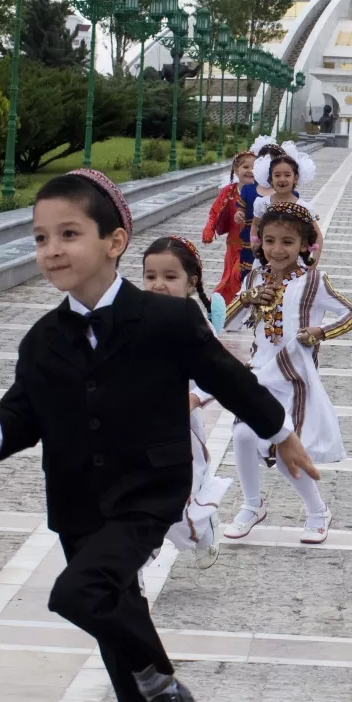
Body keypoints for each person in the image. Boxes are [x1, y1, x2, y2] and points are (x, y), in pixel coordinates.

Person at [0, 170, 319, 702]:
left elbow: (228, 378)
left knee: (77, 592)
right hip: (78, 504)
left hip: (148, 490)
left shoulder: (166, 319)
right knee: (118, 621)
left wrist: (281, 433)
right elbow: (22, 418)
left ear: (114, 241)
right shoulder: (42, 340)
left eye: (69, 234)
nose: (52, 250)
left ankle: (160, 678)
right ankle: (154, 696)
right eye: (40, 238)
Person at [221, 201, 352, 544]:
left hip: (294, 378)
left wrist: (320, 332)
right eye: (270, 241)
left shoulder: (314, 281)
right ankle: (253, 504)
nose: (277, 250)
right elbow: (229, 321)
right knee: (241, 436)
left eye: (287, 242)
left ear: (304, 245)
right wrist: (250, 298)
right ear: (259, 242)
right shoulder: (254, 276)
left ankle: (317, 510)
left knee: (286, 448)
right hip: (258, 373)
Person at [140, 235, 233, 570]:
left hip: (180, 438)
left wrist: (193, 398)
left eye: (169, 277)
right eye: (151, 277)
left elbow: (218, 375)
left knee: (180, 510)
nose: (158, 285)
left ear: (191, 282)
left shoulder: (196, 327)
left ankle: (205, 530)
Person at [201, 152, 258, 306]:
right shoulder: (228, 191)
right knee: (227, 277)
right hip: (232, 245)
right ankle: (221, 308)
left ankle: (237, 307)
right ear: (236, 168)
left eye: (254, 167)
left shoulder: (260, 192)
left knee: (238, 274)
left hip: (251, 245)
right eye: (246, 167)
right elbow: (214, 212)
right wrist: (209, 230)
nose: (250, 171)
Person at [249, 152, 321, 267]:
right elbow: (255, 225)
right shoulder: (261, 203)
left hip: (293, 260)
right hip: (266, 258)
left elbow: (317, 235)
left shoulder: (304, 207)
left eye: (287, 175)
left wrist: (314, 261)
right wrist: (255, 244)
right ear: (271, 179)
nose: (282, 179)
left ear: (295, 178)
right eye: (277, 175)